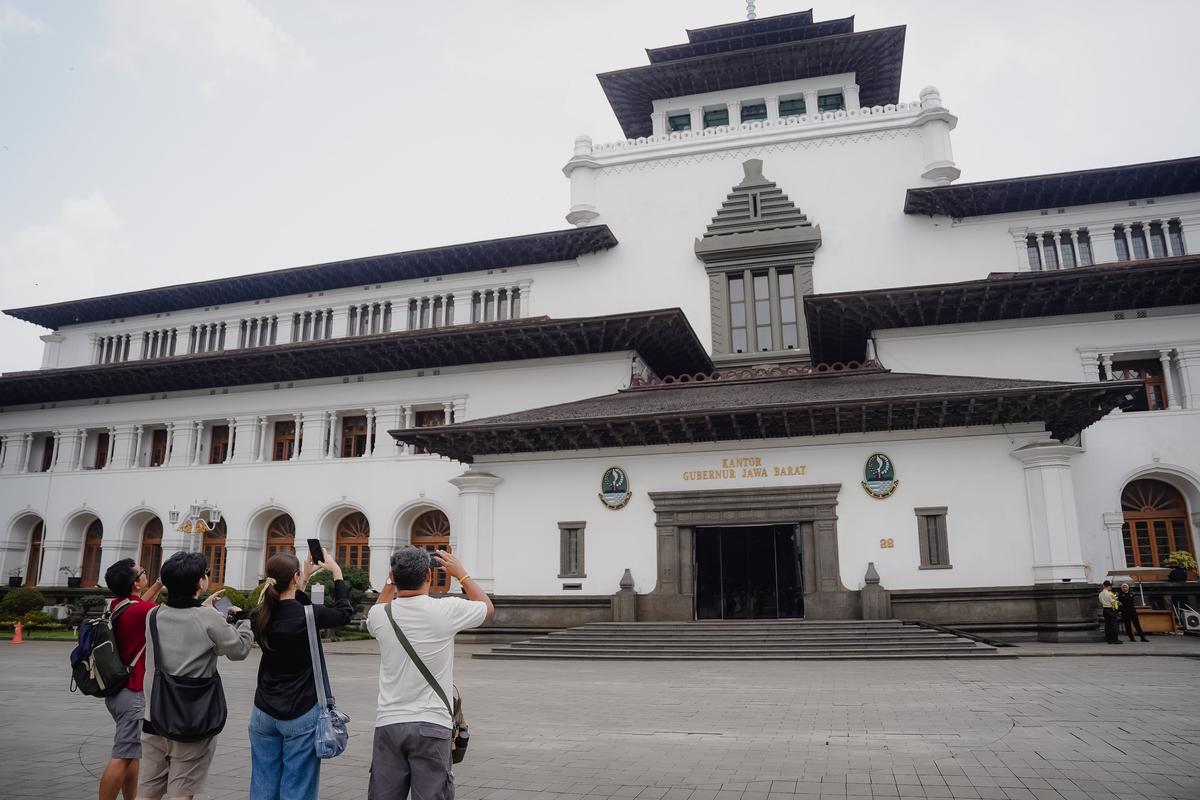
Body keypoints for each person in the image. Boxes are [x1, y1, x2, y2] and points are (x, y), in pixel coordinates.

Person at [365, 547, 494, 800]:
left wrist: (390, 582)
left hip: (389, 723)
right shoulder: (447, 610)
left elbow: (376, 611)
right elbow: (487, 608)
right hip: (432, 724)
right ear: (429, 576)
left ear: (392, 575)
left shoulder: (380, 615)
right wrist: (462, 575)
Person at [137, 552, 253, 800]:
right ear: (200, 582)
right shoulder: (208, 617)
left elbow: (185, 621)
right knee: (182, 791)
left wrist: (203, 607)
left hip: (154, 715)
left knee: (148, 790)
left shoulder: (153, 615)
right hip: (190, 717)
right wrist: (243, 621)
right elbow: (238, 650)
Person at [248, 549, 354, 800]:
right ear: (294, 578)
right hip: (301, 710)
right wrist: (336, 573)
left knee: (263, 782)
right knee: (297, 786)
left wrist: (301, 578)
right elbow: (343, 612)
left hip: (263, 710)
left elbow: (288, 604)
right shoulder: (309, 615)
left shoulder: (259, 616)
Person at [99, 559, 162, 800]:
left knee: (131, 752)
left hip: (117, 691)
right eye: (143, 573)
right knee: (122, 756)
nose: (146, 573)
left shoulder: (118, 605)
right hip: (133, 693)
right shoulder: (141, 612)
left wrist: (158, 584)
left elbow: (141, 604)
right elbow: (151, 611)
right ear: (136, 583)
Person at [1099, 580, 1122, 645]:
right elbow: (1113, 602)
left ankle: (1109, 639)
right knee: (1114, 625)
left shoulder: (1100, 593)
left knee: (1107, 625)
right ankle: (1115, 639)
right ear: (1108, 586)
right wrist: (1118, 602)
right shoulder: (1109, 593)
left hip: (1105, 610)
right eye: (1110, 587)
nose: (1111, 588)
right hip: (1110, 609)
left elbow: (1100, 602)